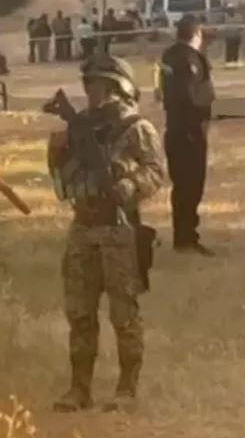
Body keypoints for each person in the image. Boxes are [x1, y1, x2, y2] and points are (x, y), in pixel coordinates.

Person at [49, 54, 166, 413]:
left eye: (99, 83)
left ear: (118, 86)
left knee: (123, 313)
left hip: (118, 229)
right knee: (80, 313)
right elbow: (62, 179)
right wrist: (57, 153)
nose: (92, 91)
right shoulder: (78, 126)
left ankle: (126, 388)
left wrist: (128, 187)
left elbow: (155, 172)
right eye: (89, 84)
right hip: (83, 227)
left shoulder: (136, 127)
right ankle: (79, 388)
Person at [160, 15, 216, 256]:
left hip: (177, 130)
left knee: (183, 186)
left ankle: (183, 236)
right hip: (189, 132)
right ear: (196, 34)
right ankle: (186, 238)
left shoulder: (170, 56)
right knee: (190, 187)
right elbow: (192, 99)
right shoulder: (187, 60)